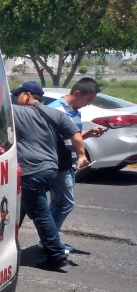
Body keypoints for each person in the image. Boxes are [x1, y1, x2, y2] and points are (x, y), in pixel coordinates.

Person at [11, 81, 89, 270]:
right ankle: (8, 245)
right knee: (19, 208)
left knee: (40, 213)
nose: (16, 98)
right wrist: (81, 156)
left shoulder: (16, 111)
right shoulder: (55, 113)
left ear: (27, 95)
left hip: (31, 171)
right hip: (51, 170)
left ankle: (56, 255)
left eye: (18, 94)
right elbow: (76, 135)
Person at [46, 78, 106, 245]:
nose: (89, 104)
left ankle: (49, 238)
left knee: (59, 204)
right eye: (88, 99)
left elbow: (72, 137)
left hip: (70, 163)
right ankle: (49, 241)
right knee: (65, 203)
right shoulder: (55, 110)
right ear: (77, 93)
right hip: (58, 164)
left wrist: (89, 133)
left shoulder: (75, 111)